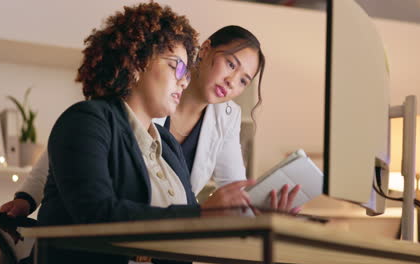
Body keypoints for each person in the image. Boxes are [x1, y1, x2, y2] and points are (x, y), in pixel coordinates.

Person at [0, 20, 301, 217]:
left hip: (161, 234)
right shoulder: (128, 103)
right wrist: (28, 195)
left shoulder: (223, 118)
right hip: (124, 227)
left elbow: (235, 188)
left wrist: (261, 208)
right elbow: (75, 149)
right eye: (231, 64)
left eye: (244, 80)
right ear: (205, 49)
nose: (233, 81)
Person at [33, 3, 261, 264]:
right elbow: (97, 215)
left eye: (186, 72)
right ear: (138, 61)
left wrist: (258, 214)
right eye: (177, 67)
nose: (184, 80)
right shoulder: (86, 121)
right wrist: (200, 217)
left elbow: (185, 237)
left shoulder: (168, 146)